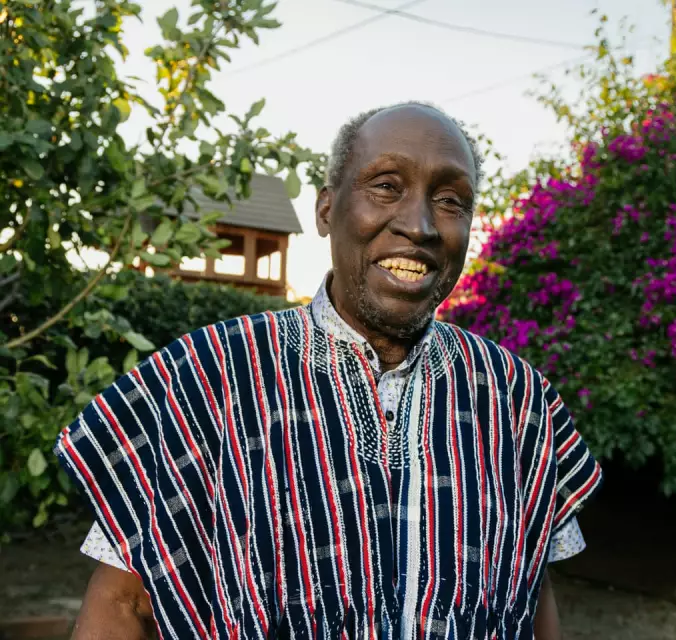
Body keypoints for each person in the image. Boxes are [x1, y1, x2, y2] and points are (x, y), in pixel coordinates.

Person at [55, 102, 602, 640]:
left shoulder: (517, 399)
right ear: (325, 209)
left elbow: (533, 595)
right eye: (386, 186)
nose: (420, 225)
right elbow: (123, 600)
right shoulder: (207, 378)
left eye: (451, 199)